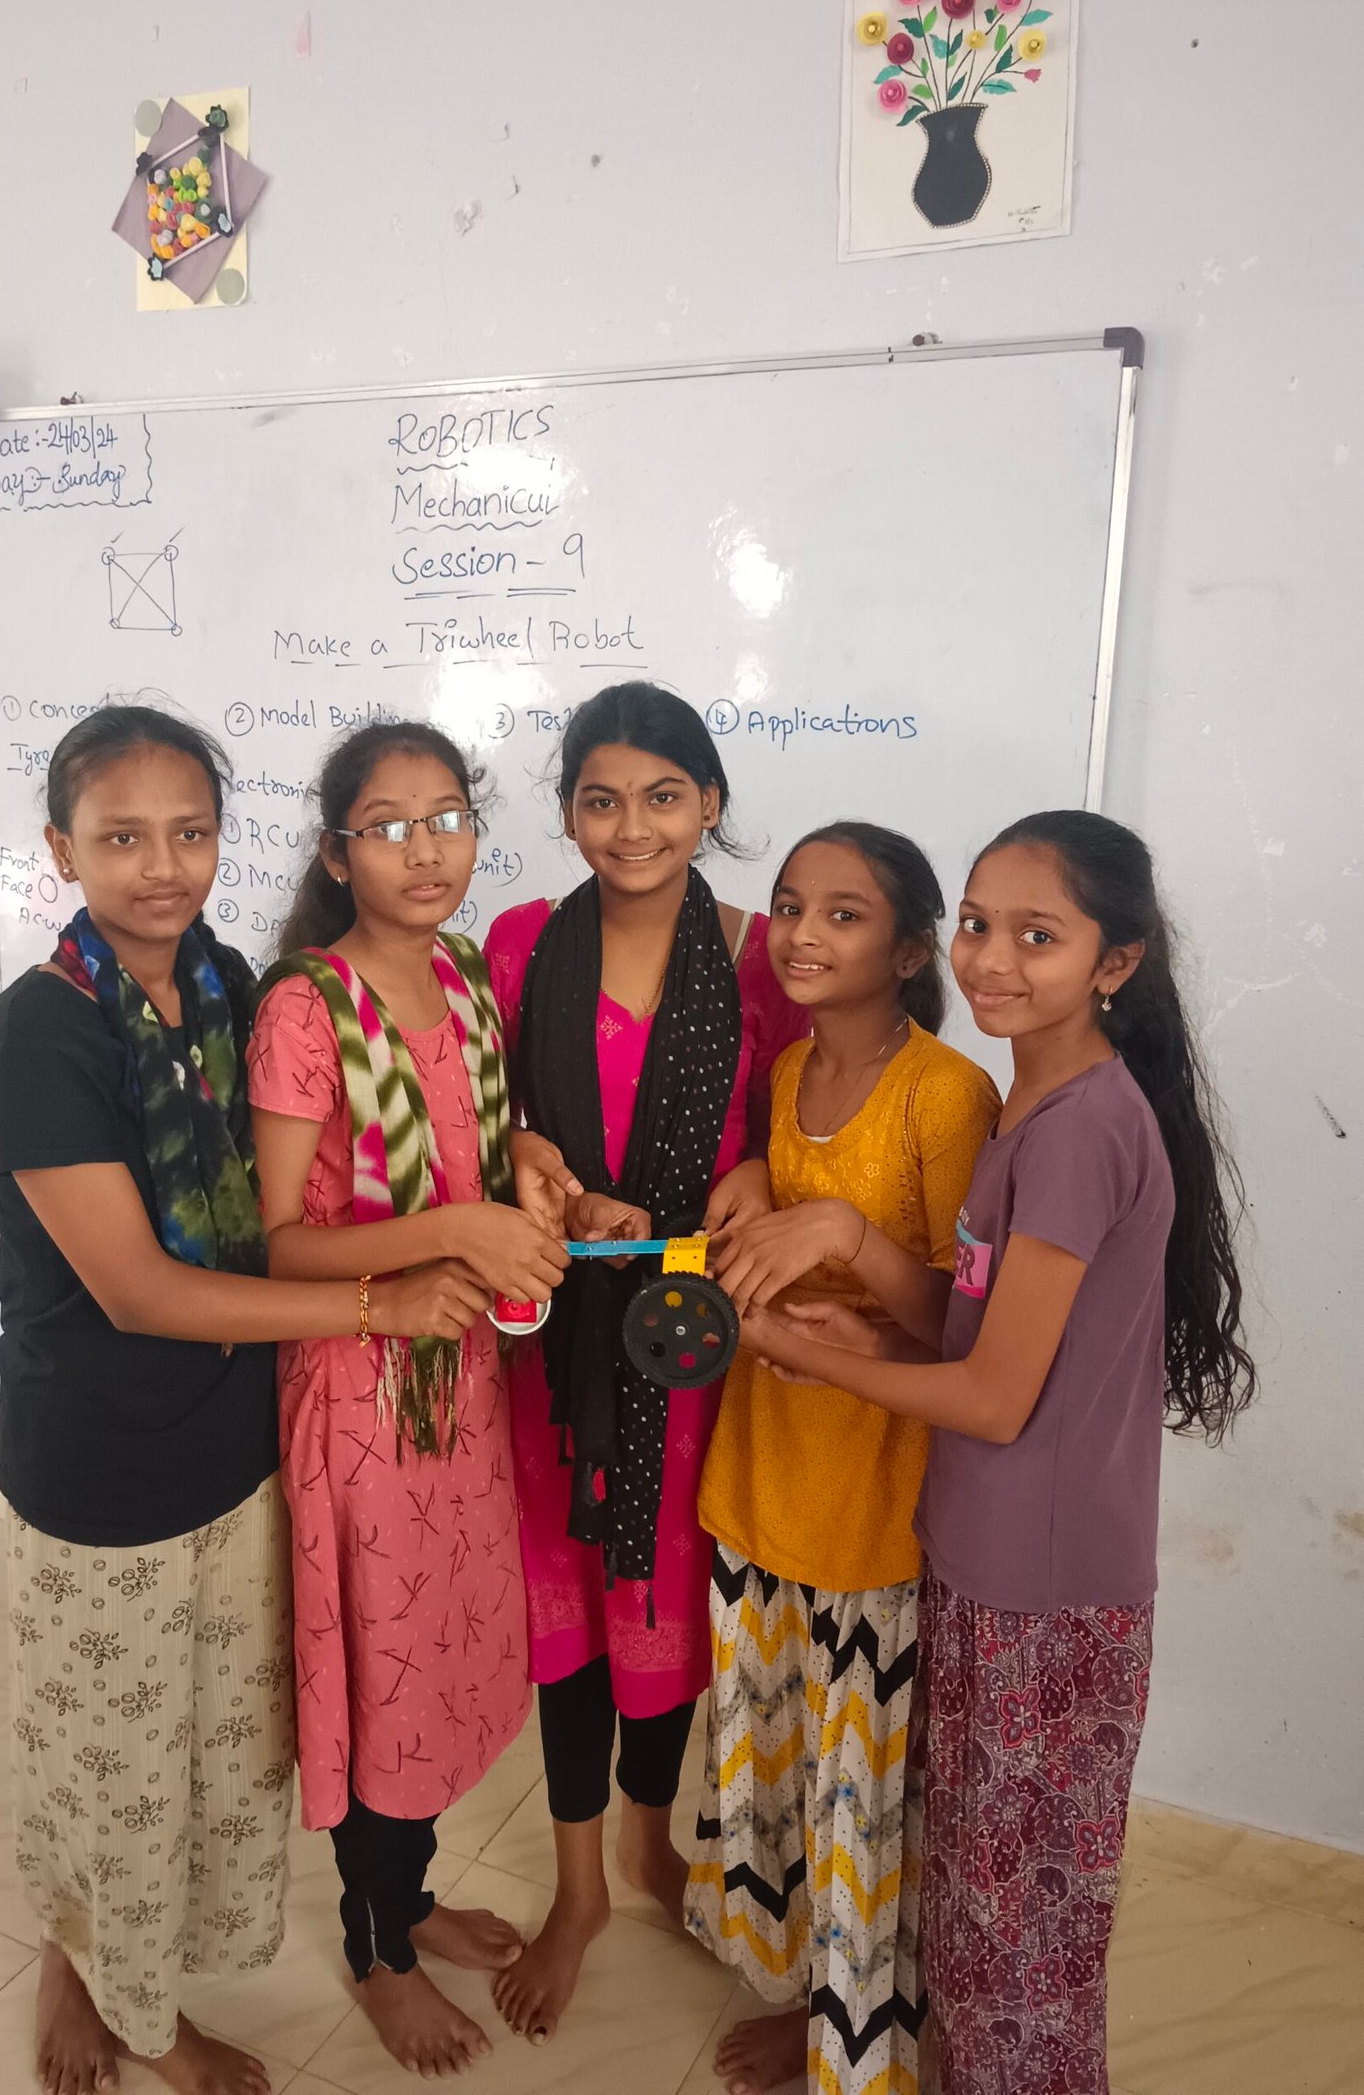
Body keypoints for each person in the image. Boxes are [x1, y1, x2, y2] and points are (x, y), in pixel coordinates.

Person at [0, 705, 480, 2095]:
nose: (162, 867)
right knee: (116, 1768)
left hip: (239, 1445)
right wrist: (378, 1305)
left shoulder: (224, 989)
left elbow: (311, 1173)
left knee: (214, 1758)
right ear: (61, 848)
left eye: (189, 833)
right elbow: (138, 1291)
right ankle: (125, 2005)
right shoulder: (42, 1038)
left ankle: (109, 1957)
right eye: (122, 837)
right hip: (102, 1468)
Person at [739, 811, 1257, 2095]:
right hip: (983, 1559)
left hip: (1045, 1591)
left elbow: (990, 1395)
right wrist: (858, 1290)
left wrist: (810, 1356)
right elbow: (965, 1321)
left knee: (1019, 1955)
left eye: (1037, 936)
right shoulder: (1033, 1103)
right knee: (975, 1919)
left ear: (1114, 963)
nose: (989, 960)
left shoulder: (1075, 1128)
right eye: (978, 925)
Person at [482, 681, 807, 2044]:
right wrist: (525, 1153)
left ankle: (646, 1843)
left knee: (664, 1605)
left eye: (664, 797)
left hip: (687, 1357)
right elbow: (482, 1115)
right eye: (602, 799)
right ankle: (578, 1890)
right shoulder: (516, 945)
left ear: (709, 803)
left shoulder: (762, 960)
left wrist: (752, 1175)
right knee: (566, 1611)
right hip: (553, 1353)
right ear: (567, 811)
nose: (632, 828)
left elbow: (791, 1134)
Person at [247, 721, 573, 2078]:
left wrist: (532, 1168)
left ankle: (414, 1894)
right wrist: (453, 1233)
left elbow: (470, 1144)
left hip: (459, 1385)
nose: (426, 849)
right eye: (388, 827)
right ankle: (375, 1946)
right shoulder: (304, 1009)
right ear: (338, 854)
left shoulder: (464, 976)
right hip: (364, 1391)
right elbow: (278, 1244)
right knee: (381, 1672)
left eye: (448, 818)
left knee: (434, 1655)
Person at [686, 824, 1001, 2095]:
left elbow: (963, 1325)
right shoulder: (787, 1070)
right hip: (762, 1475)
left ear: (912, 950)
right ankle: (808, 1996)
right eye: (786, 906)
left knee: (862, 1800)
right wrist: (762, 1193)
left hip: (874, 1507)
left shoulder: (947, 1096)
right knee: (777, 1773)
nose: (802, 934)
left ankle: (863, 2036)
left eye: (844, 914)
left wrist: (841, 1233)